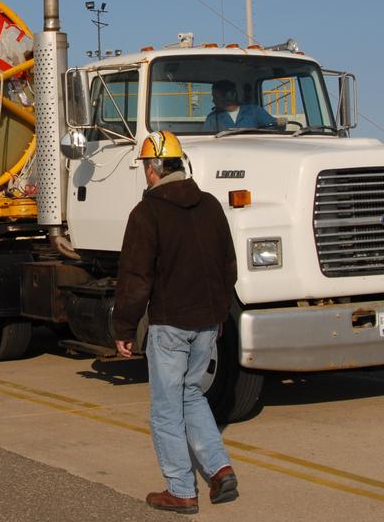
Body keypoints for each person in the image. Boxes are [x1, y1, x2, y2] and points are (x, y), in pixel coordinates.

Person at [113, 130, 239, 513]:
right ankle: (219, 469)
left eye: (145, 169)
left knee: (166, 408)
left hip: (170, 325)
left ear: (153, 169)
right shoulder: (211, 206)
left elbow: (136, 277)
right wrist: (218, 314)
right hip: (207, 322)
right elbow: (228, 268)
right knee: (191, 394)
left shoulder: (147, 212)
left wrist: (123, 328)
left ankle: (182, 490)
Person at [202, 79, 277, 132]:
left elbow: (274, 128)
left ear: (230, 95)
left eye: (216, 97)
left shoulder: (254, 111)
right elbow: (207, 139)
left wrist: (279, 123)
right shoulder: (212, 118)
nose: (213, 101)